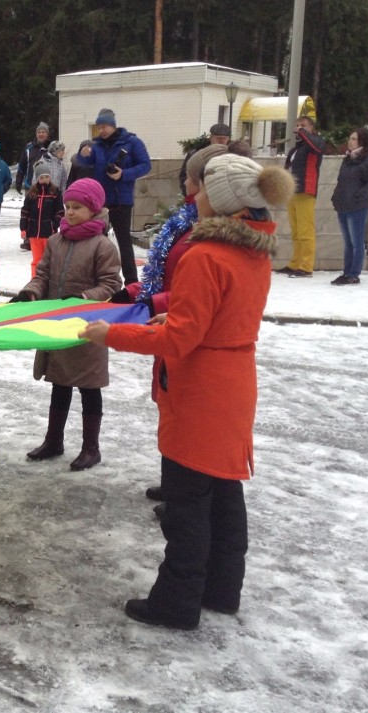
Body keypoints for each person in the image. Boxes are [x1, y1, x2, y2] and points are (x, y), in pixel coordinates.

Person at [80, 154, 292, 630]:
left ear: (219, 201)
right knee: (223, 491)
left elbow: (180, 339)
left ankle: (175, 603)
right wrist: (173, 316)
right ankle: (221, 589)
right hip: (234, 382)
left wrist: (107, 335)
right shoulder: (255, 251)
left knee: (187, 503)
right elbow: (209, 316)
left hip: (200, 390)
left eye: (201, 190)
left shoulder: (204, 255)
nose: (192, 197)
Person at [114, 143, 239, 521]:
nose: (184, 183)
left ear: (202, 185)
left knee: (186, 421)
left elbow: (192, 293)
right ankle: (175, 485)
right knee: (169, 411)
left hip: (184, 341)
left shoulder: (206, 237)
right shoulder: (186, 224)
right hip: (169, 329)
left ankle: (184, 496)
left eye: (188, 177)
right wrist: (134, 293)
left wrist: (150, 307)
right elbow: (163, 277)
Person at [11, 177, 122, 472]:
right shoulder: (56, 241)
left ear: (94, 209)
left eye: (77, 207)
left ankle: (91, 448)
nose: (70, 212)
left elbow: (112, 283)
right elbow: (43, 275)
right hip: (57, 326)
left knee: (89, 387)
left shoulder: (102, 245)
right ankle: (53, 440)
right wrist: (31, 291)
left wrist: (84, 298)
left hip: (88, 328)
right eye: (67, 207)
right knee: (59, 383)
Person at [86, 108, 152, 285]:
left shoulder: (132, 142)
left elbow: (146, 165)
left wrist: (123, 174)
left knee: (124, 241)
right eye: (98, 128)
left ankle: (131, 282)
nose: (101, 131)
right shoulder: (97, 146)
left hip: (121, 200)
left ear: (113, 125)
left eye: (104, 126)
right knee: (98, 242)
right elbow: (85, 164)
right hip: (100, 201)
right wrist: (82, 155)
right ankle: (100, 279)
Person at [330, 128, 368, 287]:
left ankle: (354, 274)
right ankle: (347, 272)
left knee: (356, 241)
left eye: (353, 139)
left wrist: (360, 195)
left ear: (362, 142)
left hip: (357, 206)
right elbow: (342, 181)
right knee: (348, 242)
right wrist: (336, 196)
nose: (350, 141)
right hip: (343, 204)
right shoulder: (348, 159)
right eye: (350, 138)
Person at [278, 115, 325, 278]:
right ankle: (295, 263)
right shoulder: (297, 147)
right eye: (297, 125)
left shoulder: (316, 142)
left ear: (311, 128)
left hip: (306, 190)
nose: (299, 128)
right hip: (293, 192)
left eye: (303, 126)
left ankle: (306, 266)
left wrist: (304, 133)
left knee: (305, 230)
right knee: (296, 231)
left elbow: (317, 147)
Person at [21, 161, 63, 277]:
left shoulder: (55, 192)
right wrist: (23, 227)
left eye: (46, 177)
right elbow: (25, 211)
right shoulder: (32, 193)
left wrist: (54, 225)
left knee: (49, 260)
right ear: (37, 179)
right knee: (37, 260)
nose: (44, 180)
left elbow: (60, 212)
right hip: (34, 233)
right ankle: (35, 281)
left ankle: (49, 282)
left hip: (49, 233)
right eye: (41, 177)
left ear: (50, 177)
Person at [15, 122, 54, 249]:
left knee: (45, 212)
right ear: (36, 134)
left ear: (47, 134)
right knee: (30, 212)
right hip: (30, 185)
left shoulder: (52, 147)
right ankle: (28, 239)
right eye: (39, 132)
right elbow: (22, 166)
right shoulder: (29, 148)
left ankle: (47, 238)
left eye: (43, 132)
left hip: (47, 185)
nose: (41, 134)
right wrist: (19, 181)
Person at [178, 123, 231, 196]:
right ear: (211, 137)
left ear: (228, 139)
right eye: (218, 138)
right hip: (199, 194)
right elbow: (184, 176)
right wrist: (189, 196)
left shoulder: (232, 155)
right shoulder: (196, 154)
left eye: (224, 139)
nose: (221, 142)